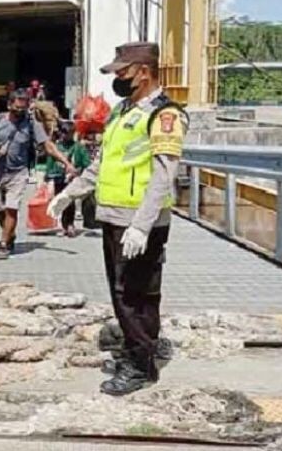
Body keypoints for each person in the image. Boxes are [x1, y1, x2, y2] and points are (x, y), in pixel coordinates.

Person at [48, 41, 188, 396]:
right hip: (113, 218)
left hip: (138, 223)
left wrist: (142, 225)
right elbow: (103, 164)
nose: (118, 78)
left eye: (123, 72)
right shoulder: (124, 111)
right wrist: (70, 193)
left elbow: (163, 174)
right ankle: (141, 349)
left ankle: (139, 366)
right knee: (129, 292)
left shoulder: (164, 115)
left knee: (133, 295)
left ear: (143, 71)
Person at [0, 89, 74, 260]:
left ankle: (4, 243)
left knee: (11, 208)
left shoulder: (31, 125)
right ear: (9, 105)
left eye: (24, 108)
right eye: (17, 108)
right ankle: (9, 233)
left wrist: (66, 163)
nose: (20, 111)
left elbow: (47, 146)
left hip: (18, 173)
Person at [44, 125, 82, 236]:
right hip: (58, 177)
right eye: (64, 133)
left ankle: (70, 224)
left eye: (69, 133)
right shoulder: (56, 147)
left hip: (72, 179)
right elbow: (50, 162)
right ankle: (63, 225)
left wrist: (78, 171)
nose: (67, 135)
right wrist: (47, 177)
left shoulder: (77, 147)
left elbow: (85, 163)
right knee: (59, 201)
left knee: (70, 201)